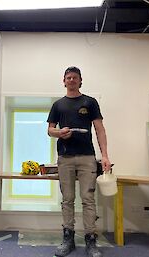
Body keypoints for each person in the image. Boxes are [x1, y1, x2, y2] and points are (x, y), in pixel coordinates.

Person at [47, 66, 111, 257]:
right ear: (64, 81)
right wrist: (60, 133)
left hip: (87, 158)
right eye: (68, 77)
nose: (72, 80)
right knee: (67, 200)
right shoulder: (58, 105)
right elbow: (50, 130)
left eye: (75, 77)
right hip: (65, 158)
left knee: (88, 199)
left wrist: (105, 156)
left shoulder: (90, 102)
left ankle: (91, 240)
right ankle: (68, 239)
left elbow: (100, 129)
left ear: (80, 81)